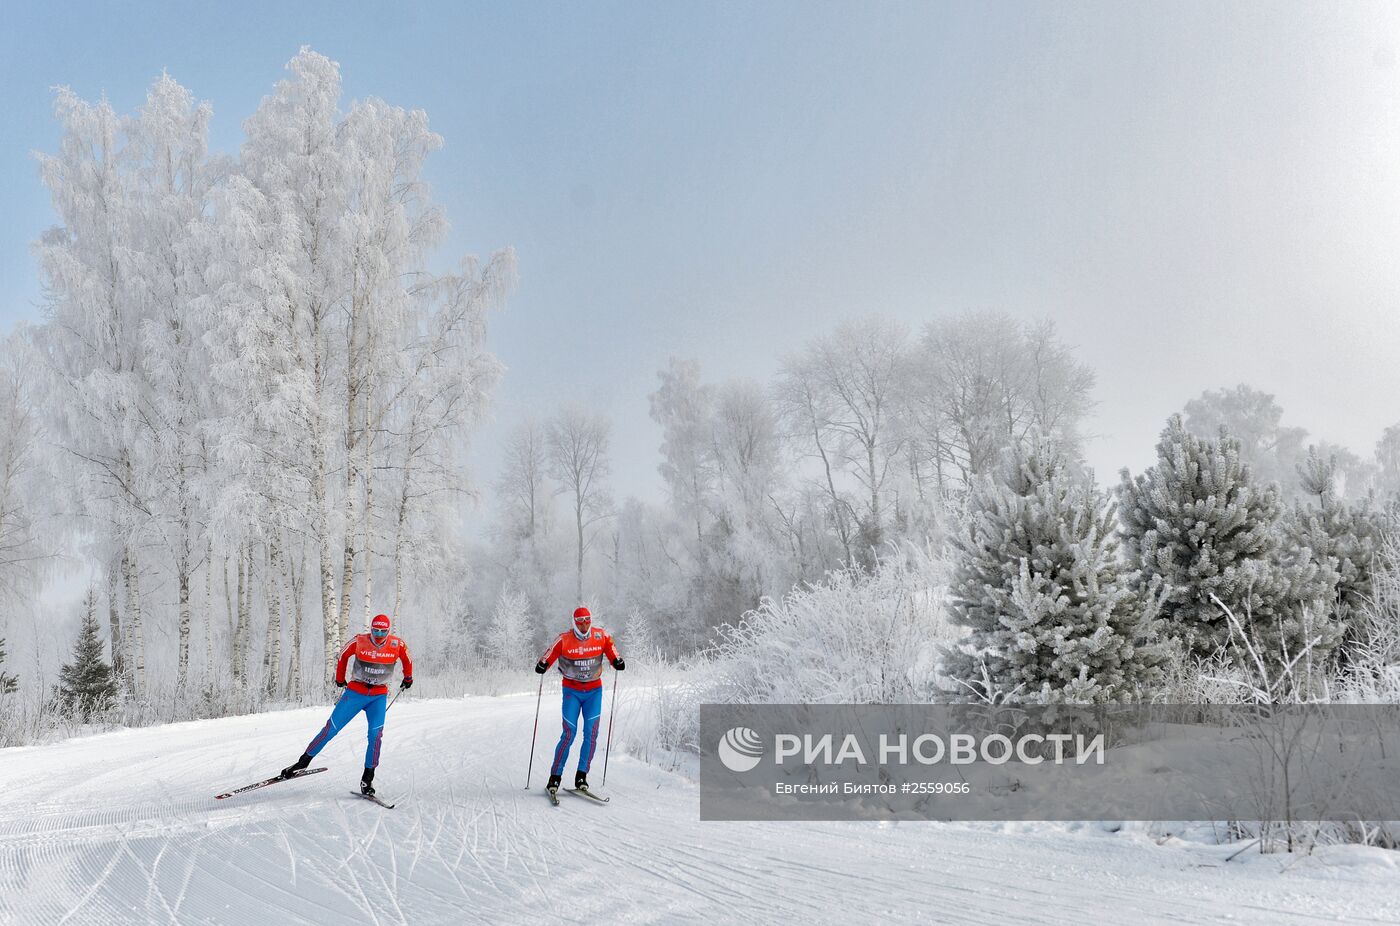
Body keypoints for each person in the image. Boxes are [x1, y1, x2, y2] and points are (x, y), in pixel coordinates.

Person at [280, 613, 413, 795]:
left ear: (389, 631)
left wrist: (408, 677)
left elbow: (407, 659)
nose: (379, 635)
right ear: (371, 629)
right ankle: (302, 762)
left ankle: (367, 780)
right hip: (356, 692)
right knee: (331, 729)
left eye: (383, 631)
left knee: (376, 736)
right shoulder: (359, 640)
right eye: (375, 630)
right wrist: (339, 678)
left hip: (378, 696)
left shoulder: (397, 644)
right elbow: (342, 655)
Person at [534, 606, 624, 794]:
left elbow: (611, 649)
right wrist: (543, 664)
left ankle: (581, 775)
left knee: (591, 733)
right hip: (572, 691)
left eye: (587, 620)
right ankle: (555, 777)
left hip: (593, 691)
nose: (584, 625)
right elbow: (549, 654)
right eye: (580, 621)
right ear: (574, 622)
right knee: (569, 733)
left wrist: (617, 660)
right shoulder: (564, 639)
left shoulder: (601, 636)